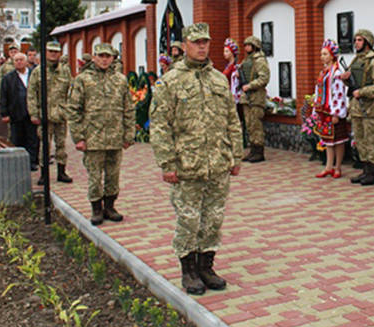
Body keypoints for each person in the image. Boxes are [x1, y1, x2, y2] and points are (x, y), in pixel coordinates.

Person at [150, 23, 242, 296]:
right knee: (188, 219)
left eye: (206, 42)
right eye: (196, 42)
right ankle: (188, 270)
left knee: (213, 219)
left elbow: (232, 120)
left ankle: (207, 267)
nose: (202, 46)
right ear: (186, 44)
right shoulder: (171, 80)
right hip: (186, 164)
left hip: (217, 163)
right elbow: (159, 126)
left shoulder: (218, 79)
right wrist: (167, 163)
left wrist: (236, 155)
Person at [66, 43, 134, 225]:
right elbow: (74, 110)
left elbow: (128, 108)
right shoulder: (83, 79)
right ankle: (96, 208)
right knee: (95, 176)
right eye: (101, 56)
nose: (104, 59)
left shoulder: (120, 79)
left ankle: (110, 206)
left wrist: (128, 135)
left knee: (113, 175)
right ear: (94, 57)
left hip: (115, 136)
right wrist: (78, 137)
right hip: (92, 137)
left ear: (113, 58)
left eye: (108, 56)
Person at [342, 28, 374, 186]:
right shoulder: (356, 60)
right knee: (360, 140)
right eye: (355, 40)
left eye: (360, 40)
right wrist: (346, 79)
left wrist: (361, 92)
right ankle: (365, 170)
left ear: (367, 42)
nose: (356, 43)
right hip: (357, 109)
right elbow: (353, 82)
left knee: (371, 141)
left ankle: (373, 173)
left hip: (369, 109)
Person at [28, 41, 73, 185]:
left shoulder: (65, 71)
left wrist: (69, 108)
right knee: (44, 146)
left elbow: (71, 91)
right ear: (46, 52)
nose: (53, 54)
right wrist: (33, 114)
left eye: (56, 52)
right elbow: (31, 93)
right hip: (44, 115)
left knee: (61, 145)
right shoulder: (38, 71)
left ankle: (61, 172)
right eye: (50, 51)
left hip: (60, 114)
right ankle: (44, 174)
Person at [312, 39, 349, 178]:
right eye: (321, 54)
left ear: (332, 55)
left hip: (333, 111)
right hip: (324, 110)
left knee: (338, 140)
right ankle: (328, 166)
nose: (322, 57)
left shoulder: (337, 71)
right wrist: (316, 108)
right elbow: (318, 90)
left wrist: (337, 113)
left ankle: (338, 167)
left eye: (325, 54)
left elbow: (339, 93)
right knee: (327, 140)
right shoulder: (323, 72)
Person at [0, 52, 38, 171]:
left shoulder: (33, 75)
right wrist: (4, 113)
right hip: (16, 113)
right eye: (16, 60)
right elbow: (3, 96)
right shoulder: (8, 78)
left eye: (21, 60)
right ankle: (19, 162)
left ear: (26, 61)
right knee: (17, 138)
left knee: (33, 138)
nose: (19, 62)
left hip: (32, 113)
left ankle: (31, 161)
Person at [238, 35, 270, 163]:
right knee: (249, 124)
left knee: (256, 124)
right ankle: (252, 149)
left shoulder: (260, 60)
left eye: (248, 45)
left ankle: (259, 151)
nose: (246, 47)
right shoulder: (247, 60)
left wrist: (250, 85)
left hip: (256, 97)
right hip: (247, 97)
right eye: (245, 45)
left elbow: (264, 78)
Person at [222, 38, 241, 103]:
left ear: (232, 53)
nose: (224, 53)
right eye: (224, 51)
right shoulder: (228, 66)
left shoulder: (234, 67)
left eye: (227, 51)